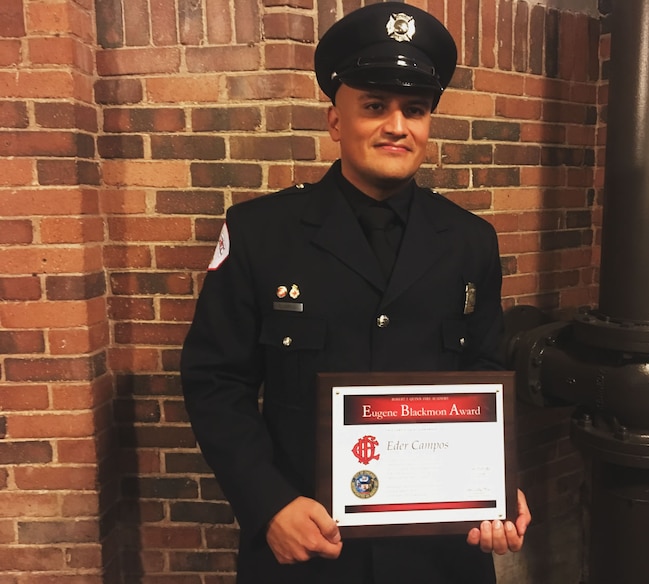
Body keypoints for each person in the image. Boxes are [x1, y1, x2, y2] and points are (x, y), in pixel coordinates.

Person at [180, 3, 531, 583]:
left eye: (414, 110)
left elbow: (484, 372)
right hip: (311, 548)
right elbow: (215, 381)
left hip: (438, 554)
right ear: (336, 120)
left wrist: (494, 485)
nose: (397, 126)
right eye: (375, 106)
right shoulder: (260, 234)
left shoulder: (471, 242)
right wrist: (268, 504)